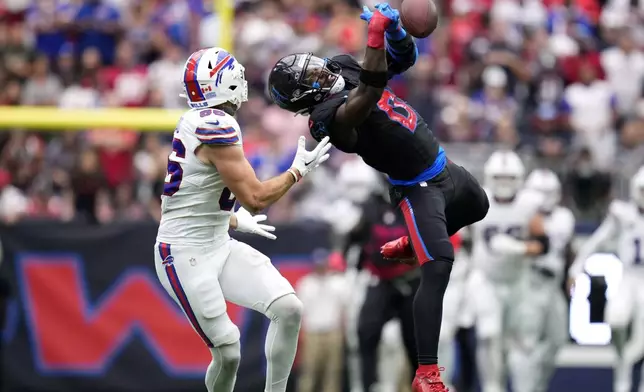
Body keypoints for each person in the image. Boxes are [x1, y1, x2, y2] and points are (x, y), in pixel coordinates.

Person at [267, 3, 489, 390]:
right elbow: (368, 93)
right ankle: (426, 372)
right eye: (311, 75)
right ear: (305, 95)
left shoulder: (339, 68)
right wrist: (374, 35)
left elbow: (402, 59)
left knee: (480, 205)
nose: (322, 69)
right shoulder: (324, 118)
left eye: (313, 64)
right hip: (415, 186)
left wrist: (397, 34)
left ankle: (410, 242)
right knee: (438, 264)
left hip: (442, 165)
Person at [154, 47, 331, 392]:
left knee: (289, 308)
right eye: (232, 71)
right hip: (183, 253)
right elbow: (256, 198)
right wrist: (297, 171)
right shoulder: (214, 126)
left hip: (217, 241)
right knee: (228, 350)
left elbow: (192, 194)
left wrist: (230, 221)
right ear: (223, 83)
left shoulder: (200, 122)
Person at [464, 150, 547, 392]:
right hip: (486, 279)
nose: (503, 183)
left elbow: (544, 244)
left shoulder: (528, 204)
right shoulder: (477, 199)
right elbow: (461, 236)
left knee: (523, 342)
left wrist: (519, 248)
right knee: (489, 335)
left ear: (519, 179)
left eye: (509, 178)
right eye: (499, 177)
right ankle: (492, 386)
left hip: (518, 280)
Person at [568, 166, 644, 392]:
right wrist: (576, 267)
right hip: (629, 278)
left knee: (641, 341)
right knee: (616, 320)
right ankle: (622, 372)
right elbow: (598, 240)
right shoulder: (623, 213)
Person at [508, 169, 573, 392]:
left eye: (549, 192)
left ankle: (537, 386)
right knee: (525, 345)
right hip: (529, 283)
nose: (544, 198)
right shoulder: (518, 214)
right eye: (539, 192)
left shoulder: (564, 217)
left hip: (553, 285)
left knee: (557, 340)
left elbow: (555, 242)